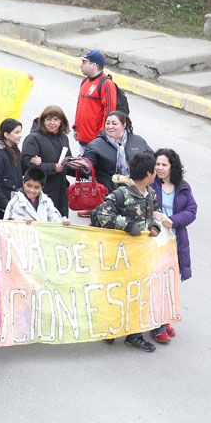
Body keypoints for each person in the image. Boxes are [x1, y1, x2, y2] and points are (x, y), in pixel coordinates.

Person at [92, 151, 162, 353]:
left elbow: (155, 212)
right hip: (120, 255)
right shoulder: (122, 194)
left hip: (142, 255)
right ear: (149, 173)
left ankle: (135, 335)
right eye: (154, 171)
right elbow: (101, 214)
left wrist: (155, 226)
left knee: (139, 294)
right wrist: (127, 225)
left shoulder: (150, 193)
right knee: (117, 291)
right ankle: (112, 327)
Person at [150, 148, 197, 344]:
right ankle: (157, 325)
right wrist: (156, 215)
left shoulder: (182, 187)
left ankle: (165, 318)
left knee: (173, 282)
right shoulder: (151, 185)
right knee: (159, 283)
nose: (160, 168)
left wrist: (173, 220)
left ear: (172, 167)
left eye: (164, 165)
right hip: (156, 241)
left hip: (177, 241)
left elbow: (192, 210)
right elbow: (146, 206)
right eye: (157, 164)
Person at [83, 110, 152, 192]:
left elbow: (152, 161)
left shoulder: (138, 140)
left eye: (114, 123)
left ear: (124, 125)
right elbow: (85, 168)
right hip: (108, 192)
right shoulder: (95, 145)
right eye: (107, 123)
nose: (110, 126)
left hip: (136, 190)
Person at [21, 105, 72, 216]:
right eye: (48, 119)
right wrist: (53, 167)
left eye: (55, 119)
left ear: (61, 121)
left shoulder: (64, 138)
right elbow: (26, 165)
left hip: (61, 190)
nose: (51, 122)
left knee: (60, 223)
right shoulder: (33, 138)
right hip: (42, 190)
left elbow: (67, 161)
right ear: (42, 121)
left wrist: (79, 166)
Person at [73, 50, 117, 146]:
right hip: (83, 138)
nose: (81, 65)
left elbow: (109, 112)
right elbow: (80, 107)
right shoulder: (85, 81)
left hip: (96, 142)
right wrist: (76, 127)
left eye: (84, 62)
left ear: (93, 65)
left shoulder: (106, 84)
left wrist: (102, 137)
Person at [0, 118, 23, 219]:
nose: (20, 135)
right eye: (17, 132)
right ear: (6, 135)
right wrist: (7, 206)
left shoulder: (14, 151)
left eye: (20, 132)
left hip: (10, 206)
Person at [5, 167, 70, 224]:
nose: (32, 190)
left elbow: (54, 216)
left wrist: (62, 222)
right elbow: (6, 223)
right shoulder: (14, 202)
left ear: (42, 188)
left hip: (41, 237)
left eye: (36, 187)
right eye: (29, 186)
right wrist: (21, 222)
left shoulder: (47, 201)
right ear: (23, 183)